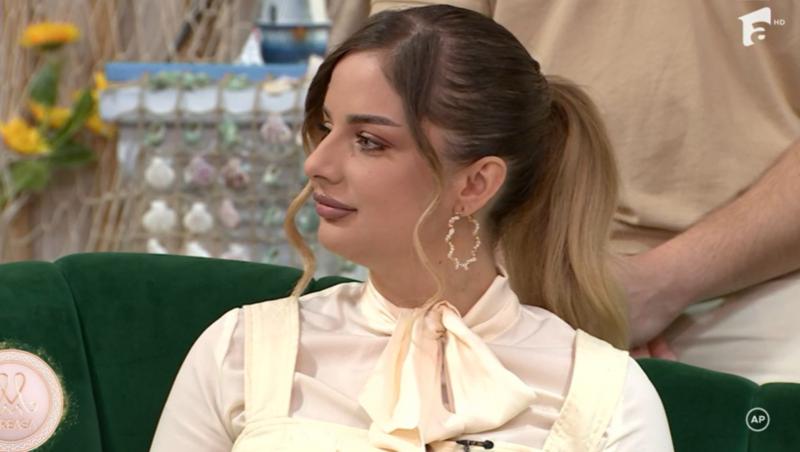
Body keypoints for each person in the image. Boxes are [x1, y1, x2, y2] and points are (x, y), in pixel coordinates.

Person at [150, 5, 674, 451]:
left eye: (369, 141)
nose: (317, 164)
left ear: (475, 184)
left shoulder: (605, 393)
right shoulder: (239, 350)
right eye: (327, 127)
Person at [326, 0, 800, 384]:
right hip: (493, 264)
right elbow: (404, 84)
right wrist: (530, 285)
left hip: (760, 282)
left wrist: (658, 285)